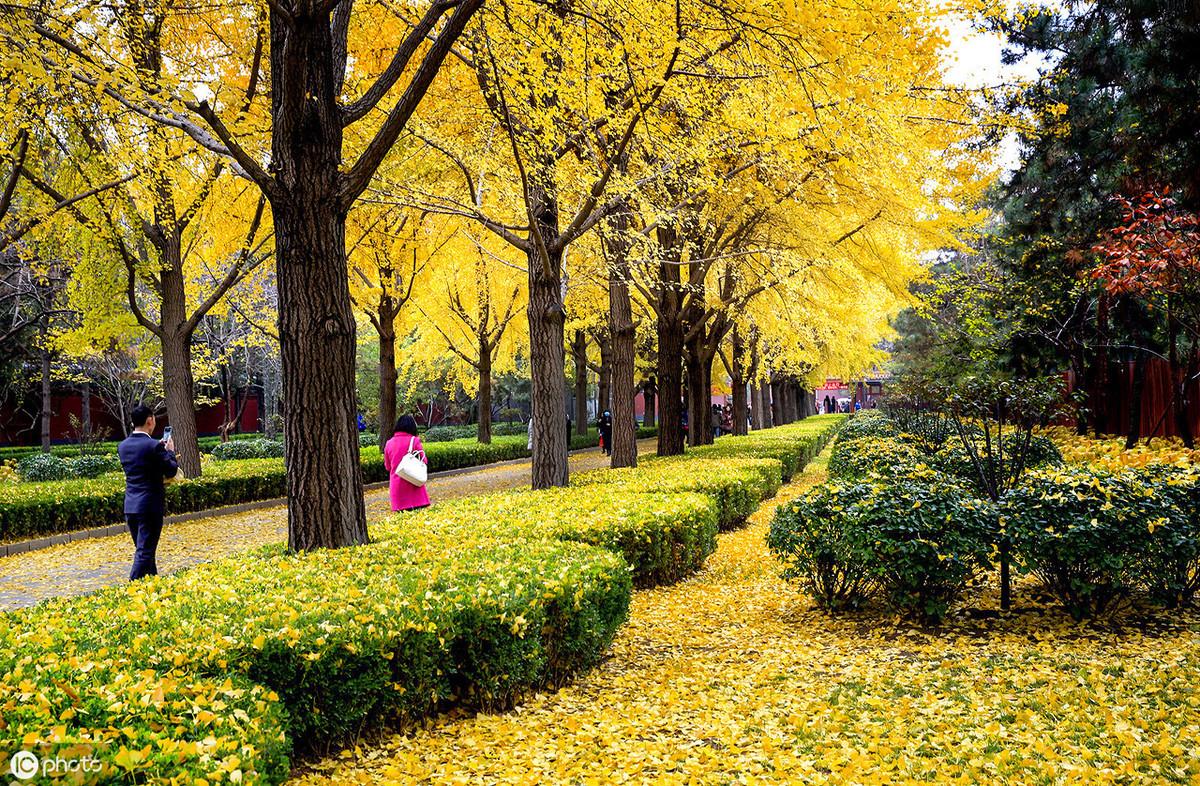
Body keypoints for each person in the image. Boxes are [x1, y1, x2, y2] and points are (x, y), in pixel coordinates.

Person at [117, 404, 178, 581]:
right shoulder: (154, 447)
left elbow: (141, 464)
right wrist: (170, 452)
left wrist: (158, 450)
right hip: (150, 506)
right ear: (149, 421)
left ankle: (152, 585)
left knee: (145, 550)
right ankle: (131, 586)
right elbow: (171, 471)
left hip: (131, 506)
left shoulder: (123, 446)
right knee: (144, 552)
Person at [383, 415, 430, 512]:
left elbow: (388, 467)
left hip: (397, 488)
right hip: (414, 485)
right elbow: (424, 460)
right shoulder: (414, 440)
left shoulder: (389, 443)